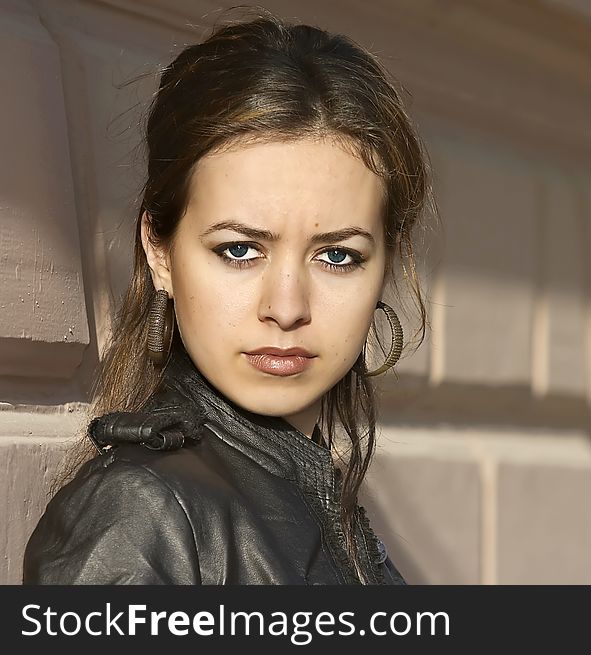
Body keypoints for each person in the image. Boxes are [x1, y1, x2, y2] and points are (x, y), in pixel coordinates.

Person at [22, 8, 433, 585]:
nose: (287, 308)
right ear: (159, 251)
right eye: (240, 250)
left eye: (337, 256)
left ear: (384, 265)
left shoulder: (320, 498)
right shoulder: (138, 517)